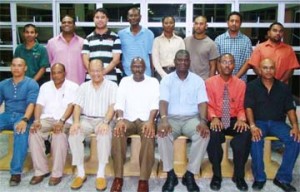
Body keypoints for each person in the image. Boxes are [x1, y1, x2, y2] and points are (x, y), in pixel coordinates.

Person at [157, 50, 210, 192]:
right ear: (174, 62)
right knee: (162, 134)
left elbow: (203, 103)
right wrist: (164, 120)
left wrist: (203, 122)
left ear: (189, 62)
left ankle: (190, 174)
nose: (182, 63)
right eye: (179, 60)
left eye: (185, 60)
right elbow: (163, 101)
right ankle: (170, 174)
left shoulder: (197, 80)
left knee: (203, 134)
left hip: (191, 119)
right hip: (171, 119)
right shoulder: (166, 79)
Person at [245, 58, 300, 192]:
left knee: (295, 139)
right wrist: (252, 126)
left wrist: (295, 126)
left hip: (278, 123)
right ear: (259, 69)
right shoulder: (252, 86)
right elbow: (248, 108)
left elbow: (290, 109)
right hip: (259, 122)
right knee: (256, 139)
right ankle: (259, 178)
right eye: (265, 67)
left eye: (271, 68)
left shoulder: (283, 88)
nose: (268, 71)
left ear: (275, 69)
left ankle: (282, 178)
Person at [110, 57, 159, 192]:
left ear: (145, 68)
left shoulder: (153, 82)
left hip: (146, 120)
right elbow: (119, 102)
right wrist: (120, 120)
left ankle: (143, 180)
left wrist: (150, 122)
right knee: (117, 132)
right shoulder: (125, 81)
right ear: (131, 68)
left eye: (140, 66)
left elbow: (155, 104)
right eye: (135, 66)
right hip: (128, 119)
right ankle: (118, 178)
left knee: (149, 135)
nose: (137, 69)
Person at [68, 59, 118, 191]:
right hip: (86, 119)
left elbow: (113, 106)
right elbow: (77, 106)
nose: (96, 74)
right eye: (92, 71)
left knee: (104, 133)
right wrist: (76, 122)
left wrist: (106, 122)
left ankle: (100, 174)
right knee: (74, 133)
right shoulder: (83, 87)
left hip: (104, 119)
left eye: (98, 70)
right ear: (88, 72)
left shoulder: (112, 86)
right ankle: (80, 173)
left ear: (103, 71)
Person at [206, 53, 251, 191]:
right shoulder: (209, 82)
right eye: (224, 62)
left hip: (233, 119)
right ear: (219, 64)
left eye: (230, 62)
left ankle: (239, 175)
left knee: (245, 133)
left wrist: (242, 119)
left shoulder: (241, 84)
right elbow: (208, 104)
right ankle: (217, 175)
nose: (227, 65)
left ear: (234, 65)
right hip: (216, 118)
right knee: (213, 135)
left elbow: (242, 106)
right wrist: (213, 117)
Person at [28, 63, 79, 186]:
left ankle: (57, 173)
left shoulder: (73, 86)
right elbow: (39, 105)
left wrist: (61, 121)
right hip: (47, 118)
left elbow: (71, 106)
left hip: (64, 119)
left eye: (59, 72)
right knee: (34, 132)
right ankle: (41, 170)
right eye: (53, 73)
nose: (56, 75)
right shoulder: (45, 86)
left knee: (59, 134)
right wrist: (36, 120)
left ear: (65, 73)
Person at [0, 57, 39, 186]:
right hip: (7, 115)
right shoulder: (3, 84)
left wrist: (24, 120)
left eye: (19, 65)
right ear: (10, 67)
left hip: (23, 116)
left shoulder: (31, 83)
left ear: (25, 68)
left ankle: (15, 172)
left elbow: (31, 104)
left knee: (21, 131)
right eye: (14, 65)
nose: (16, 68)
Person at [82, 8, 121, 82]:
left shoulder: (115, 37)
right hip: (91, 79)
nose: (100, 20)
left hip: (110, 79)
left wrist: (102, 73)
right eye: (97, 17)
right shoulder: (88, 38)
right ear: (94, 19)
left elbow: (116, 60)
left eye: (103, 17)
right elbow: (85, 60)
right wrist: (94, 73)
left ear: (107, 19)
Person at [47, 15, 86, 85]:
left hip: (78, 84)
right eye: (64, 22)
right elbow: (50, 61)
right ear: (61, 25)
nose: (66, 24)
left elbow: (86, 63)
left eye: (69, 22)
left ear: (74, 25)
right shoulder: (51, 43)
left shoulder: (83, 42)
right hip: (58, 85)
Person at [214, 11, 252, 82]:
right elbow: (217, 61)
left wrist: (235, 79)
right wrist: (224, 77)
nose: (234, 23)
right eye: (232, 21)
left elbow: (248, 62)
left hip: (240, 81)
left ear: (240, 24)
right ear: (228, 22)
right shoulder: (219, 39)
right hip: (222, 81)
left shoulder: (246, 41)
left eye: (237, 21)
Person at [118, 7, 154, 77]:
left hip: (145, 74)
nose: (133, 18)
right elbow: (118, 55)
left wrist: (152, 73)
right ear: (128, 18)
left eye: (136, 15)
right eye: (131, 15)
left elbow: (151, 55)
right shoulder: (121, 34)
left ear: (140, 17)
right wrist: (122, 69)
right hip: (127, 73)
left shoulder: (149, 34)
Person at [184, 16, 219, 80]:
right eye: (196, 23)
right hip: (188, 79)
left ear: (206, 26)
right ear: (194, 25)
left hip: (204, 80)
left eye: (201, 24)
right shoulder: (186, 41)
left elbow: (213, 66)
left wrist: (210, 82)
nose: (198, 26)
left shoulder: (211, 44)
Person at [152, 16, 185, 80]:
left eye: (171, 23)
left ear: (174, 24)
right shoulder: (157, 40)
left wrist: (177, 74)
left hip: (176, 73)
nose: (168, 25)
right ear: (162, 25)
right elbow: (155, 61)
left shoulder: (180, 40)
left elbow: (182, 59)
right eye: (166, 23)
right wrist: (163, 75)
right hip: (160, 73)